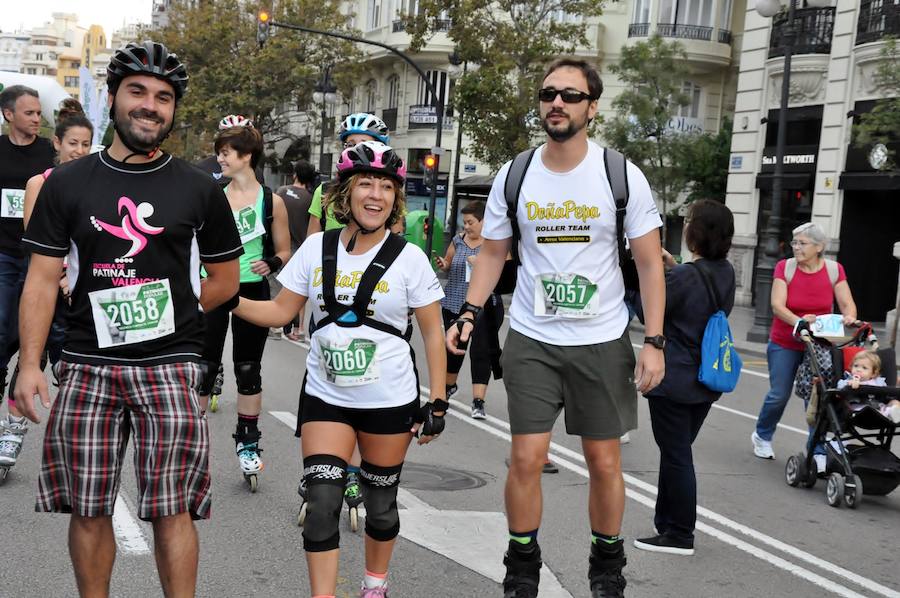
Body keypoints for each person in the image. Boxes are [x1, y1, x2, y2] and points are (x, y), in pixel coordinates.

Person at [14, 41, 242, 597]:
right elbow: (41, 280)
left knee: (173, 509)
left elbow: (226, 280)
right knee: (88, 507)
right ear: (113, 97)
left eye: (163, 97)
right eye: (137, 92)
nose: (150, 106)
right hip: (87, 362)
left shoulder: (199, 189)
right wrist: (30, 364)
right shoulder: (67, 183)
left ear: (173, 109)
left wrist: (172, 315)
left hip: (170, 365)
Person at [447, 57, 665, 598]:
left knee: (604, 461)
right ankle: (522, 566)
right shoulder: (516, 173)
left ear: (592, 107)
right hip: (532, 337)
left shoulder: (620, 174)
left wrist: (654, 341)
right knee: (525, 458)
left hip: (602, 338)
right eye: (548, 94)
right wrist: (469, 312)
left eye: (570, 95)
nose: (557, 103)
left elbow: (649, 263)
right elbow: (493, 253)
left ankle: (606, 566)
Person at [233, 140, 447, 598]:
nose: (376, 195)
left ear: (395, 198)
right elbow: (280, 311)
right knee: (322, 501)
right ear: (346, 194)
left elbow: (433, 333)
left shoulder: (409, 258)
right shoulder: (316, 248)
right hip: (326, 398)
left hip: (389, 400)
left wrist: (439, 401)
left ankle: (375, 586)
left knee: (381, 508)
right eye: (366, 184)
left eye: (386, 187)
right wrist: (226, 299)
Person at [632, 200, 736, 556]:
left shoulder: (684, 277)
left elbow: (645, 308)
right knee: (676, 452)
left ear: (696, 232)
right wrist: (673, 269)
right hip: (705, 379)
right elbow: (698, 294)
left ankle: (679, 533)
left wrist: (644, 275)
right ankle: (665, 522)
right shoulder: (725, 272)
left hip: (674, 377)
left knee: (677, 457)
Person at [0, 99, 92, 478]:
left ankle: (76, 446)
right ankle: (12, 431)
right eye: (73, 143)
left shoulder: (96, 185)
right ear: (57, 143)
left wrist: (78, 277)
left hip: (80, 290)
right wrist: (60, 275)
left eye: (86, 144)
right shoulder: (39, 183)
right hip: (43, 283)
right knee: (30, 356)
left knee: (75, 367)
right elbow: (35, 241)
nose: (79, 150)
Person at [196, 120, 290, 490]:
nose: (219, 159)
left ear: (246, 156)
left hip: (251, 290)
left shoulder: (272, 201)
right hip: (213, 286)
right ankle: (191, 447)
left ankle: (248, 444)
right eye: (219, 153)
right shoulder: (211, 195)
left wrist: (273, 263)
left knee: (248, 369)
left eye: (225, 153)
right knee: (203, 369)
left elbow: (284, 249)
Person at [751, 221, 857, 472]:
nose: (796, 247)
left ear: (819, 247)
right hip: (785, 341)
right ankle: (762, 435)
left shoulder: (834, 270)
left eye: (802, 243)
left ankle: (817, 449)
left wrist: (849, 317)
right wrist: (799, 322)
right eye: (794, 242)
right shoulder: (785, 267)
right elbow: (777, 305)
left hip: (819, 345)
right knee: (779, 394)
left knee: (817, 398)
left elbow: (847, 304)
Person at [0, 85, 55, 401]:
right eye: (29, 113)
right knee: (2, 324)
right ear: (8, 114)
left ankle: (18, 400)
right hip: (4, 253)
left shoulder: (49, 151)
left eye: (39, 113)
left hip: (40, 254)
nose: (37, 119)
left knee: (32, 332)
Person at [435, 202, 504, 420]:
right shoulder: (458, 240)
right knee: (454, 349)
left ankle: (478, 401)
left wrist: (481, 263)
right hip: (454, 302)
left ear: (484, 221)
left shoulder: (495, 243)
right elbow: (448, 262)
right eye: (464, 222)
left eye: (470, 222)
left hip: (485, 306)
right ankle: (448, 388)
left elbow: (506, 276)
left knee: (481, 351)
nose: (466, 226)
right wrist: (444, 264)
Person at [274, 159, 316, 341]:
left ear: (295, 174)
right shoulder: (310, 198)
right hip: (300, 247)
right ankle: (299, 329)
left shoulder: (282, 192)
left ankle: (276, 324)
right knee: (299, 288)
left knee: (278, 285)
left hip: (280, 245)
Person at [837, 350, 900, 423]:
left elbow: (886, 392)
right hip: (859, 409)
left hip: (879, 407)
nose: (858, 370)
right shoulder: (848, 381)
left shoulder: (878, 382)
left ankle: (893, 414)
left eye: (864, 368)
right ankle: (888, 414)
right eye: (856, 366)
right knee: (868, 409)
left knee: (895, 402)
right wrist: (849, 385)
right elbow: (839, 389)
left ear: (873, 373)